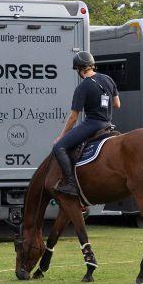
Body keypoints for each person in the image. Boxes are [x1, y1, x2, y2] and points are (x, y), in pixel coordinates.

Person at [50, 51, 119, 200]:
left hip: (93, 124)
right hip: (108, 124)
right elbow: (117, 104)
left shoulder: (83, 87)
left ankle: (70, 183)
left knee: (58, 147)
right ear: (91, 65)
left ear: (79, 69)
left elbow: (74, 117)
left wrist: (61, 136)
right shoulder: (108, 79)